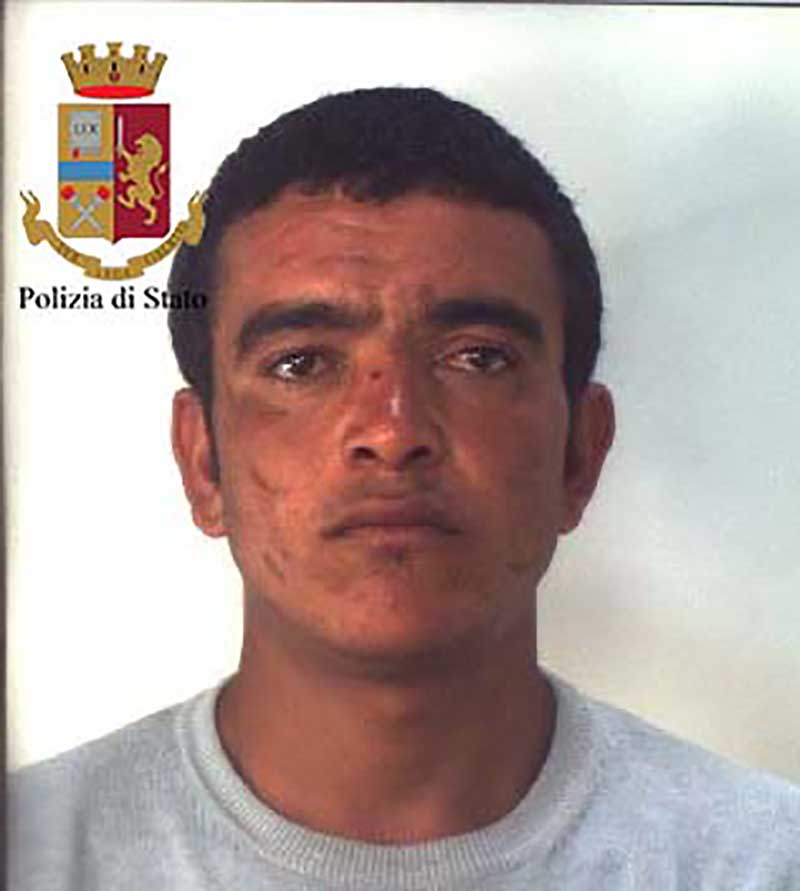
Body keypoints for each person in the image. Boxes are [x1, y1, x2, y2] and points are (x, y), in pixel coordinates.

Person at [9, 87, 799, 890]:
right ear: (204, 460)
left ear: (580, 454)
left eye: (478, 358)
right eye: (301, 363)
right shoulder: (33, 852)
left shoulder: (765, 862)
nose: (393, 430)